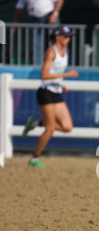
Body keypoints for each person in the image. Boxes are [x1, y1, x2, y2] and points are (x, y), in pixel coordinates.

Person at [22, 25, 79, 168]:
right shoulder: (51, 52)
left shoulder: (64, 51)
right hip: (45, 92)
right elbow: (44, 75)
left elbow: (54, 73)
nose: (68, 39)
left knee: (67, 127)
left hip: (55, 92)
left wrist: (61, 84)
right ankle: (34, 158)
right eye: (66, 36)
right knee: (50, 129)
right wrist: (66, 75)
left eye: (69, 37)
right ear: (58, 37)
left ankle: (34, 123)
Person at [13, 0, 64, 64]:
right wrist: (15, 22)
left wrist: (55, 14)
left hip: (49, 17)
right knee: (36, 46)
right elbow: (19, 6)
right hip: (35, 19)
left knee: (56, 42)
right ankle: (37, 68)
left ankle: (59, 65)